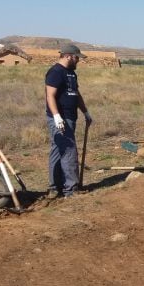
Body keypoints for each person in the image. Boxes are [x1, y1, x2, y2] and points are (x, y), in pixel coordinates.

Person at [45, 43, 92, 198]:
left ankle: (55, 187)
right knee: (69, 151)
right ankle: (71, 189)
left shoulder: (71, 73)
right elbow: (50, 95)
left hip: (71, 116)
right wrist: (57, 116)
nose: (78, 60)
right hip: (61, 118)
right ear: (68, 56)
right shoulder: (56, 72)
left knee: (59, 150)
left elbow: (76, 94)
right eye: (77, 57)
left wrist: (85, 112)